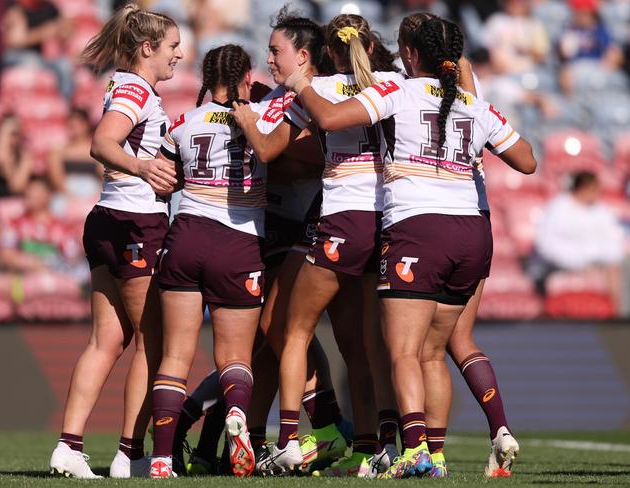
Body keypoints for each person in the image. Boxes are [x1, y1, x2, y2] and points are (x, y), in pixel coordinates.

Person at [279, 14, 536, 479]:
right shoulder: (475, 105)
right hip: (474, 233)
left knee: (400, 351)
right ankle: (435, 455)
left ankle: (412, 447)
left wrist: (301, 84)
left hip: (419, 228)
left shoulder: (398, 88)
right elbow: (528, 161)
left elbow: (333, 117)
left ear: (411, 54)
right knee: (435, 352)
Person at [232, 13, 404, 477]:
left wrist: (249, 118)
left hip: (339, 221)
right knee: (362, 345)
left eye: (275, 52)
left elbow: (270, 150)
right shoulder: (392, 83)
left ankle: (290, 438)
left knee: (291, 329)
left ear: (322, 53)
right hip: (383, 220)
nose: (270, 60)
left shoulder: (316, 91)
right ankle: (373, 447)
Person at [49, 4, 182, 479]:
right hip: (134, 224)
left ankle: (69, 445)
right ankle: (130, 453)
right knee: (152, 341)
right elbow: (102, 143)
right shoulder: (136, 89)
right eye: (171, 47)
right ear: (146, 48)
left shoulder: (124, 84)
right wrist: (144, 167)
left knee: (106, 340)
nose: (178, 56)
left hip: (107, 218)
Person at [149, 44, 267, 479]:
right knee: (236, 356)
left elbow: (163, 184)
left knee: (175, 357)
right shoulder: (261, 120)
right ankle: (236, 414)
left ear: (207, 76)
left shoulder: (183, 121)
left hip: (186, 236)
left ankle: (161, 458)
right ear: (245, 78)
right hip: (238, 242)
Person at [530, 171, 623, 306]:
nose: (598, 192)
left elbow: (613, 242)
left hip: (595, 265)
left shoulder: (601, 211)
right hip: (556, 267)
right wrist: (579, 261)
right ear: (583, 187)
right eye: (594, 188)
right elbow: (546, 246)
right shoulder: (557, 208)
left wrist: (596, 260)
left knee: (616, 267)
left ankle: (615, 316)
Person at [0, 114, 33, 199]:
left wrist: (6, 163)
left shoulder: (24, 158)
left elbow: (17, 188)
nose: (12, 138)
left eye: (16, 133)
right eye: (10, 134)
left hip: (12, 203)